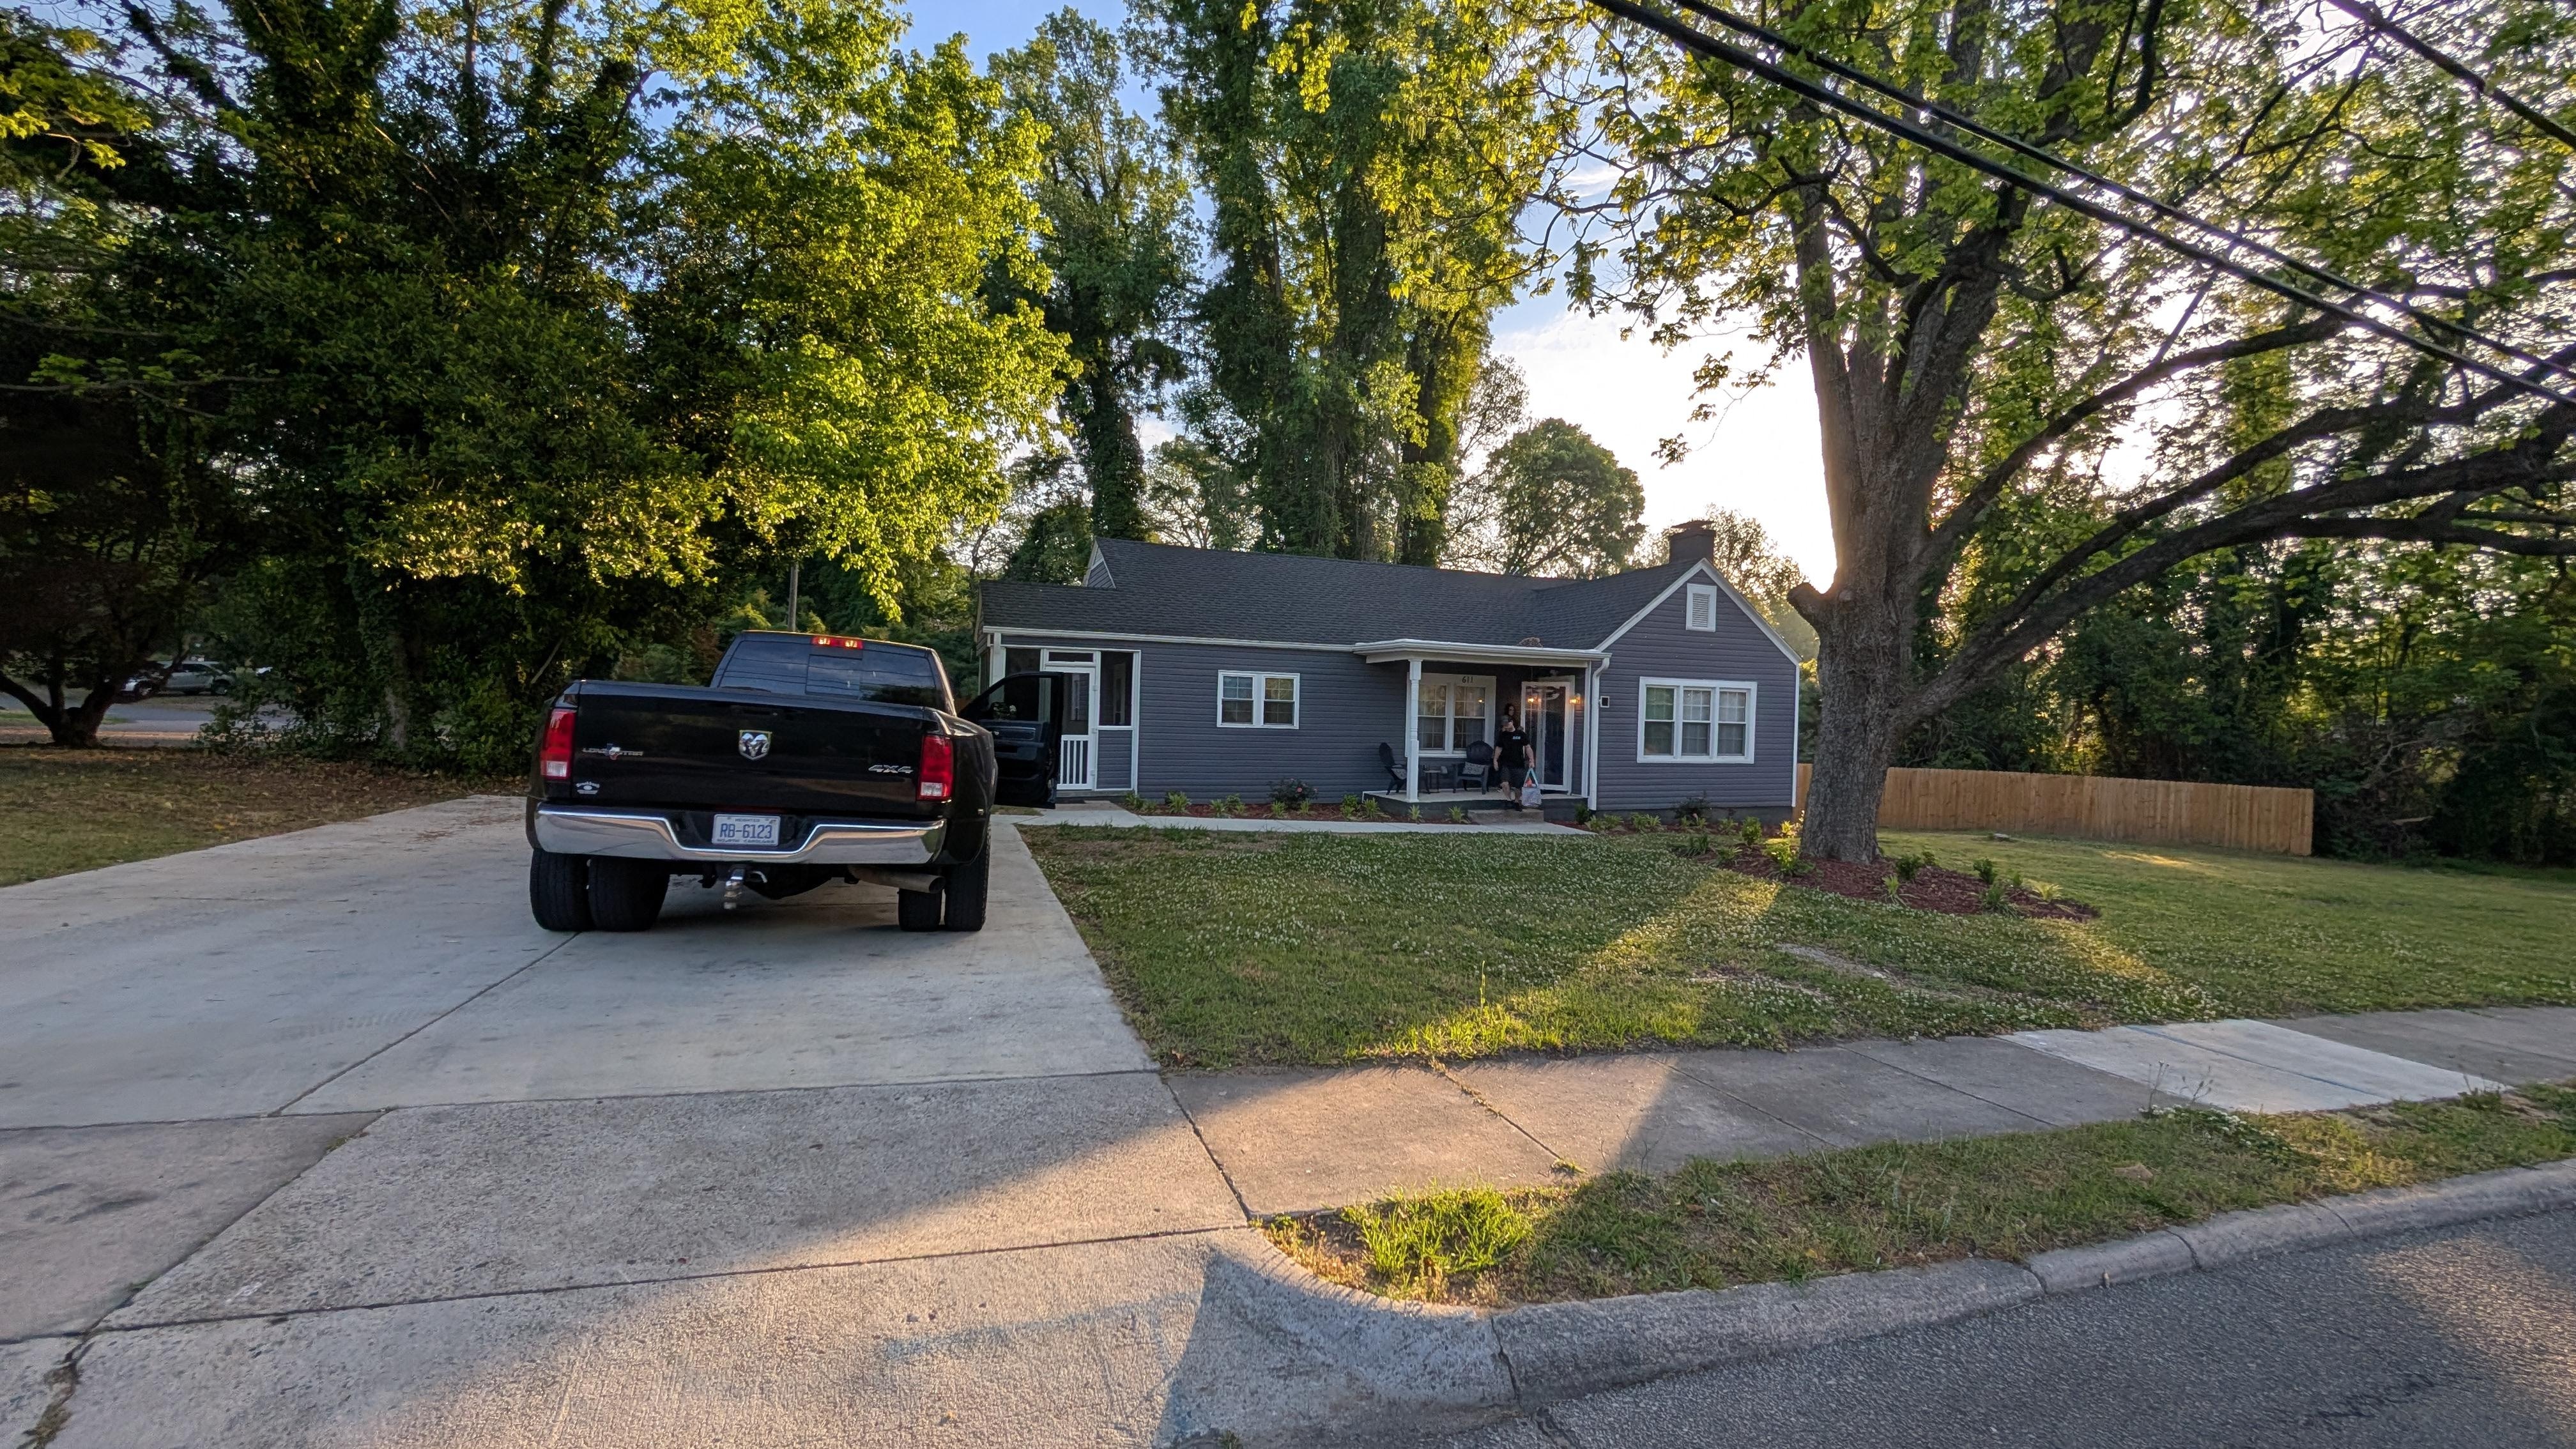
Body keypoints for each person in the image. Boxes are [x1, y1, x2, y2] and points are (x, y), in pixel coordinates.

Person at [1493, 710, 1532, 810]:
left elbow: (1527, 747)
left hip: (1518, 764)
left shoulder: (1521, 734)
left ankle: (1517, 801)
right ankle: (1509, 800)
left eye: (1507, 723)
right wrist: (1495, 760)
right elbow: (1499, 748)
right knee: (1505, 783)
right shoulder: (1503, 735)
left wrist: (1532, 760)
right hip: (1505, 763)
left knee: (1518, 787)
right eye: (1504, 724)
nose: (1506, 725)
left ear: (1512, 722)